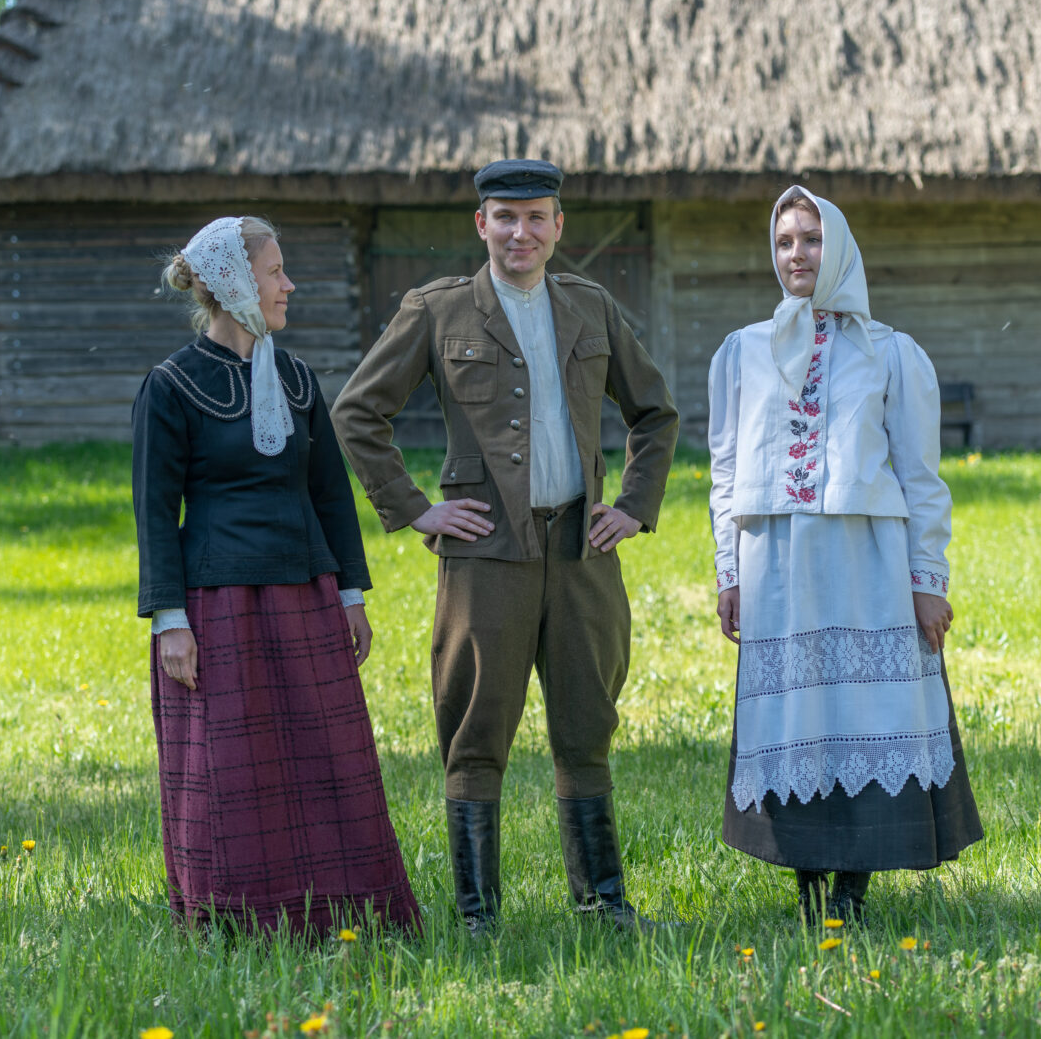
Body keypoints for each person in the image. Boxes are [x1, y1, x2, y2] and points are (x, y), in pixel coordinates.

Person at [331, 160, 679, 934]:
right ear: (480, 225)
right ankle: (477, 913)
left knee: (587, 728)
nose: (520, 232)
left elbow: (655, 414)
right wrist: (418, 511)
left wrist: (633, 506)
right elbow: (358, 413)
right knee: (475, 732)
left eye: (535, 218)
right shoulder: (439, 310)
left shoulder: (591, 307)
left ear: (558, 226)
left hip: (584, 553)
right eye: (504, 218)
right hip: (485, 557)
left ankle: (604, 903)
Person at [132, 216, 420, 938]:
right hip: (219, 602)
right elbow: (154, 512)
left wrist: (350, 592)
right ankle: (235, 919)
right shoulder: (171, 387)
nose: (288, 284)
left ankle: (346, 908)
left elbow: (329, 494)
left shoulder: (297, 379)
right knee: (231, 766)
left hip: (306, 594)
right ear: (232, 284)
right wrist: (171, 621)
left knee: (327, 758)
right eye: (274, 271)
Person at [706, 186, 983, 924]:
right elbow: (727, 472)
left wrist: (928, 582)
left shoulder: (891, 353)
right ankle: (806, 886)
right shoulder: (742, 353)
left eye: (812, 239)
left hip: (867, 564)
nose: (798, 253)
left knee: (866, 710)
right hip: (777, 568)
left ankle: (854, 890)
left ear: (842, 247)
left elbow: (922, 479)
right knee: (796, 719)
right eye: (786, 241)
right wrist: (729, 572)